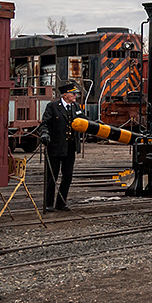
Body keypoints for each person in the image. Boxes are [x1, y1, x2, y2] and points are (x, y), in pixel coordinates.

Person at [39, 82, 85, 211]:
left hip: (70, 148)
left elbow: (84, 120)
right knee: (52, 176)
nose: (75, 96)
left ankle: (61, 202)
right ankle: (48, 204)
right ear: (65, 95)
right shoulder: (53, 107)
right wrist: (44, 133)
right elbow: (45, 123)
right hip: (55, 147)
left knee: (68, 176)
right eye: (73, 94)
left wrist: (96, 124)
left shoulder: (76, 107)